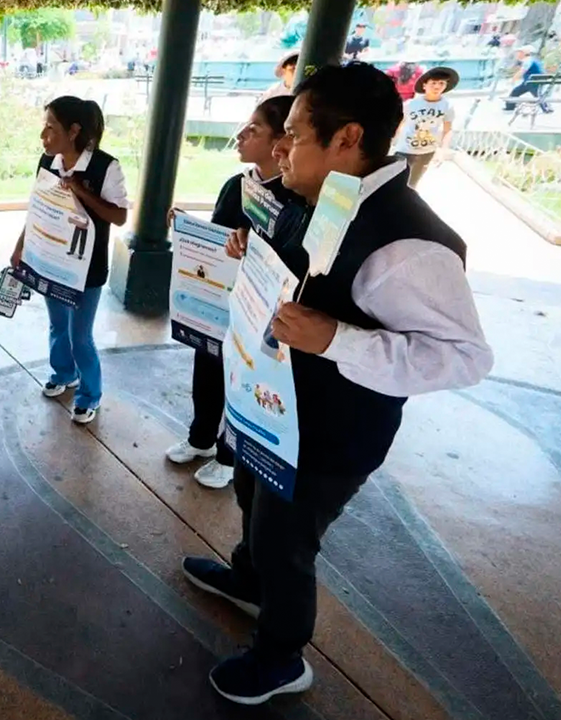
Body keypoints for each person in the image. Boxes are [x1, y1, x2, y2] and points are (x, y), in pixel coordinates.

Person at [181, 63, 493, 706]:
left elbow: (464, 357)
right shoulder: (321, 196)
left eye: (293, 133)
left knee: (285, 540)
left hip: (333, 430)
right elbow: (304, 268)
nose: (278, 147)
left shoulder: (407, 246)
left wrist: (334, 340)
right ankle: (248, 581)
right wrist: (254, 246)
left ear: (347, 137)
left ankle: (280, 656)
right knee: (249, 493)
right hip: (275, 407)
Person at [165, 95, 301, 490]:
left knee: (242, 379)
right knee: (206, 369)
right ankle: (202, 438)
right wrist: (191, 230)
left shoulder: (294, 201)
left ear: (281, 142)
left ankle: (230, 455)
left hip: (258, 315)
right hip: (217, 304)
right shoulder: (236, 185)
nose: (239, 135)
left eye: (253, 129)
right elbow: (219, 242)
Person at [9, 96, 130, 425]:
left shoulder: (106, 167)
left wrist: (81, 191)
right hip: (50, 259)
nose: (43, 135)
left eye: (50, 127)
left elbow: (118, 216)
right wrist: (22, 245)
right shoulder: (48, 162)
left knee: (81, 335)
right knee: (57, 325)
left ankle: (90, 394)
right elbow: (38, 208)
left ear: (73, 131)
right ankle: (64, 373)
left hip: (86, 268)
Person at [395, 67, 458, 188]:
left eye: (441, 83)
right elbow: (399, 123)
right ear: (424, 85)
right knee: (397, 181)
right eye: (433, 83)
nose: (437, 87)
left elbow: (447, 130)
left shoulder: (447, 106)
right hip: (405, 149)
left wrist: (442, 150)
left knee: (413, 183)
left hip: (427, 151)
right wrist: (391, 141)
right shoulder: (411, 104)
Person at [504, 46, 550, 112]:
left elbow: (522, 71)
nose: (517, 54)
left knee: (537, 95)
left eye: (519, 53)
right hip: (531, 82)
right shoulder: (532, 59)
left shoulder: (527, 60)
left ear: (523, 53)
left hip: (532, 82)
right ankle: (509, 107)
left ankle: (546, 108)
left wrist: (513, 79)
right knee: (515, 92)